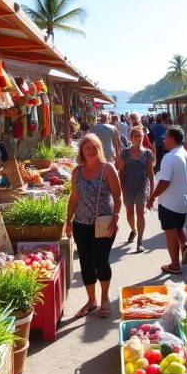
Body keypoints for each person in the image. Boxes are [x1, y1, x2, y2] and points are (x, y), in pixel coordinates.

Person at [65, 133, 123, 318]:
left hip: (104, 223)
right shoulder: (77, 172)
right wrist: (68, 220)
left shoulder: (108, 169)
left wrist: (116, 217)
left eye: (94, 147)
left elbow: (117, 195)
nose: (90, 151)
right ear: (82, 150)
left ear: (99, 149)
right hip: (81, 223)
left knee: (101, 260)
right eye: (87, 147)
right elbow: (74, 197)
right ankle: (92, 300)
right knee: (85, 262)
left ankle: (104, 298)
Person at [147, 126, 187, 274]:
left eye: (166, 137)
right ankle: (184, 246)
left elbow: (164, 182)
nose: (164, 140)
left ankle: (175, 264)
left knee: (170, 233)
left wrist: (152, 197)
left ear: (172, 139)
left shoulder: (170, 157)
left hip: (170, 202)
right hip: (183, 200)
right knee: (179, 226)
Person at [116, 125, 155, 253]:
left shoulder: (148, 153)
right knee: (129, 213)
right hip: (128, 186)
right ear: (131, 138)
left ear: (143, 137)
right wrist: (122, 188)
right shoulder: (125, 153)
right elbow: (121, 172)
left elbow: (150, 174)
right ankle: (133, 229)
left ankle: (140, 242)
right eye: (135, 136)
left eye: (140, 136)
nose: (138, 138)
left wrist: (152, 193)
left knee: (140, 212)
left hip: (142, 185)